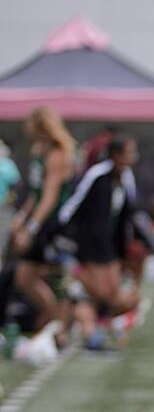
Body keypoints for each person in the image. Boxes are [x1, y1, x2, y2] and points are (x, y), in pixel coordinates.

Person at [56, 134, 143, 338]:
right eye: (129, 152)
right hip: (87, 243)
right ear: (115, 155)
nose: (133, 157)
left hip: (109, 246)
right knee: (106, 295)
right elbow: (72, 208)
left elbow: (127, 214)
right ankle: (79, 286)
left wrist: (126, 247)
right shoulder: (97, 175)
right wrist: (65, 237)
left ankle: (83, 319)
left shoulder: (126, 177)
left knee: (120, 300)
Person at [9, 105, 76, 336]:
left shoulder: (59, 154)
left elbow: (49, 197)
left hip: (54, 224)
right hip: (39, 220)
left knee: (56, 278)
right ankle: (52, 320)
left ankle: (58, 325)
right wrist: (21, 217)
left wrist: (31, 228)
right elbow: (35, 193)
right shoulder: (39, 150)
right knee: (25, 277)